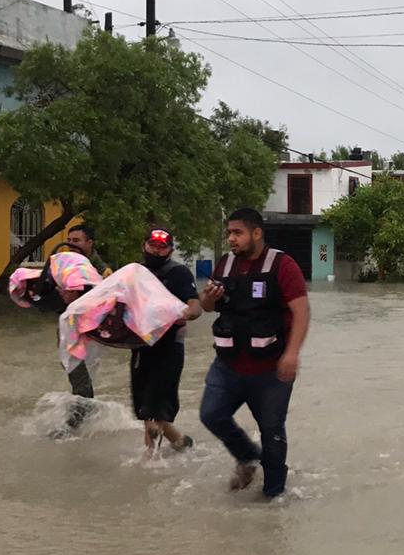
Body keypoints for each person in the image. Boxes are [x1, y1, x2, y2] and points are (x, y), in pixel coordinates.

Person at [199, 208, 310, 498]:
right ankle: (248, 457)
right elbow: (207, 307)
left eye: (238, 233)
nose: (231, 239)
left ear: (256, 233)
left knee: (272, 432)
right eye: (229, 233)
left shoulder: (282, 265)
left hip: (271, 369)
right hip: (228, 365)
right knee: (211, 414)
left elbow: (301, 312)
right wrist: (209, 298)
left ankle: (274, 499)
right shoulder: (225, 265)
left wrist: (292, 354)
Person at [130, 227, 202, 458]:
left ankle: (151, 461)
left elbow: (195, 305)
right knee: (145, 410)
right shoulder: (135, 273)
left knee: (155, 411)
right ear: (144, 245)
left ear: (170, 250)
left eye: (162, 247)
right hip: (141, 347)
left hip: (169, 348)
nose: (157, 250)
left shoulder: (178, 273)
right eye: (153, 245)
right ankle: (180, 443)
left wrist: (186, 314)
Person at [53, 223, 112, 437]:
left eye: (76, 241)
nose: (71, 245)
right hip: (68, 331)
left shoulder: (102, 271)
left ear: (90, 243)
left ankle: (72, 427)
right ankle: (85, 418)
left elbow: (108, 304)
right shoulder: (64, 266)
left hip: (90, 334)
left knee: (82, 380)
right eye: (69, 241)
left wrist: (78, 300)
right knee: (77, 378)